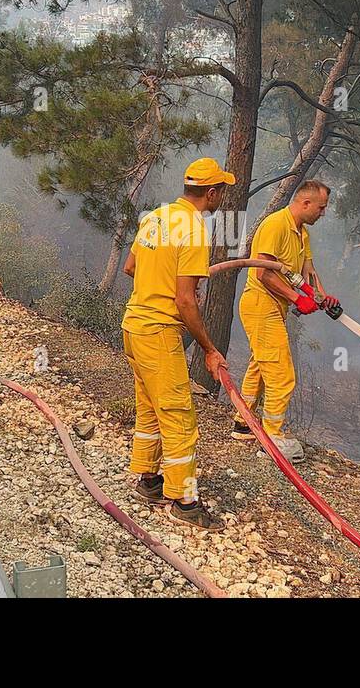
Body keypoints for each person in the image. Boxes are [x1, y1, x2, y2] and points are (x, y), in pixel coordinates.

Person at [120, 157, 232, 531]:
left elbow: (131, 268)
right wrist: (209, 348)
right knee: (179, 415)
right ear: (211, 193)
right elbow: (186, 300)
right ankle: (184, 501)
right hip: (158, 331)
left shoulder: (155, 217)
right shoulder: (195, 230)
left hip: (133, 325)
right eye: (221, 191)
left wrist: (158, 280)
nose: (222, 198)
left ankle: (149, 480)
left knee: (150, 406)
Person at [232, 180, 339, 463]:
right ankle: (273, 437)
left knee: (260, 364)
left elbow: (308, 271)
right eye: (321, 208)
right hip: (259, 304)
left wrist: (323, 297)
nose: (322, 213)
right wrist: (296, 298)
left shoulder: (301, 234)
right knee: (281, 373)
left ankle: (243, 423)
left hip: (274, 306)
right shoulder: (275, 225)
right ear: (305, 204)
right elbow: (262, 274)